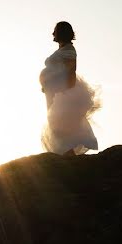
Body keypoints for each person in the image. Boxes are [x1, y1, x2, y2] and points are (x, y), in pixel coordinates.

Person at [39, 21, 99, 155]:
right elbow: (57, 70)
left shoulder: (69, 50)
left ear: (61, 33)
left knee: (60, 123)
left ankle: (69, 157)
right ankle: (66, 155)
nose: (52, 33)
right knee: (55, 123)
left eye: (55, 30)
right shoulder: (62, 49)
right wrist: (46, 84)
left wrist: (66, 91)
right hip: (53, 92)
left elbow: (71, 70)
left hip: (62, 92)